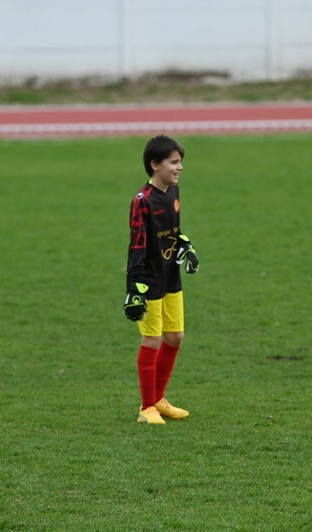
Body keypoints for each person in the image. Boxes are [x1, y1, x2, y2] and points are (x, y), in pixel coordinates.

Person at [123, 134, 199, 425]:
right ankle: (147, 408)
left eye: (180, 162)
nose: (180, 168)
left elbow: (173, 230)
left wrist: (185, 247)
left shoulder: (173, 191)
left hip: (171, 276)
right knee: (152, 339)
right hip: (150, 280)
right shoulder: (142, 201)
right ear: (155, 165)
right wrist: (134, 288)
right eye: (174, 162)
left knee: (175, 336)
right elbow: (137, 244)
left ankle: (159, 398)